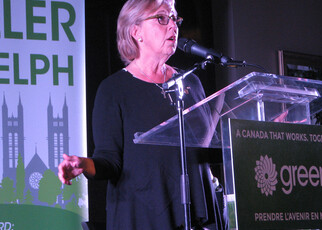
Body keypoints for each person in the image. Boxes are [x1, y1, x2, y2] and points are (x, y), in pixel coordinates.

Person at [58, 0, 225, 229]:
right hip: (144, 216)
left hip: (198, 216)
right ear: (136, 32)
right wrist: (85, 165)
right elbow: (109, 160)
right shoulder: (114, 89)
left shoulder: (191, 83)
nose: (173, 26)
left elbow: (207, 148)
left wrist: (248, 137)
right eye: (161, 18)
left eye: (175, 18)